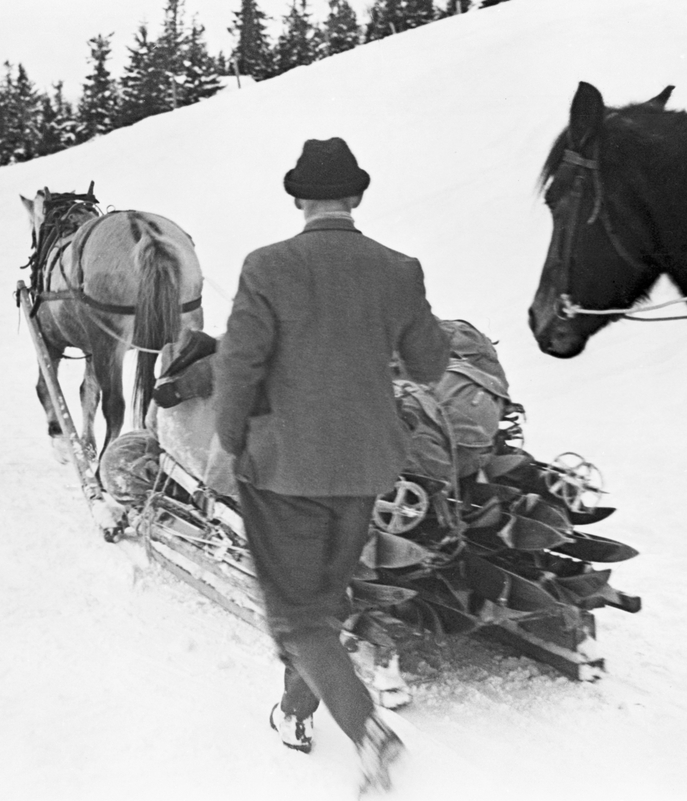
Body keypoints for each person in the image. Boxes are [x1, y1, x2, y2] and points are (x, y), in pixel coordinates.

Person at [212, 137, 450, 793]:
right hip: (363, 470)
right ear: (355, 197)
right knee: (321, 602)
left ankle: (368, 731)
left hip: (284, 471)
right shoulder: (398, 269)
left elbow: (238, 362)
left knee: (296, 617)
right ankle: (294, 711)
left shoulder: (267, 266)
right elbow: (430, 363)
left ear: (298, 199)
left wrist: (230, 441)